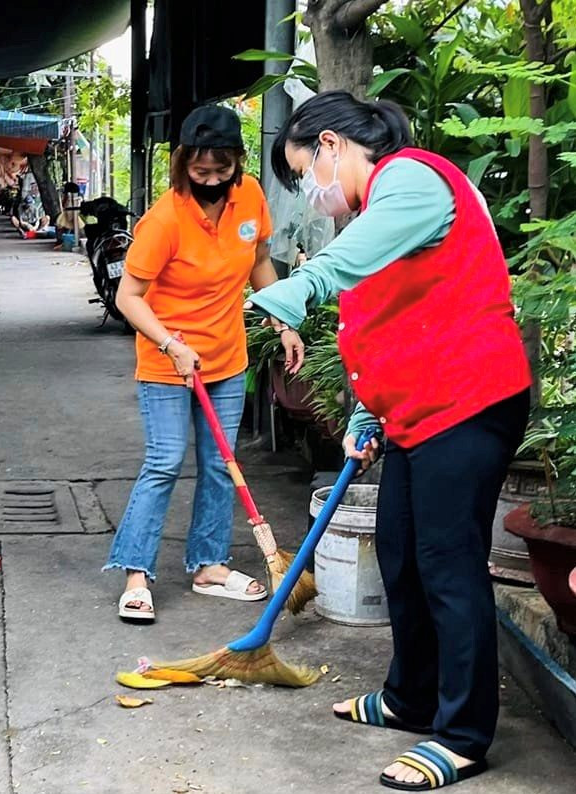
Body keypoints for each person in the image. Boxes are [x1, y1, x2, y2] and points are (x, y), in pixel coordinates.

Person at [248, 91, 530, 791]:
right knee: (401, 556)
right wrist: (365, 416)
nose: (310, 195)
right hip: (417, 413)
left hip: (470, 403)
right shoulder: (376, 217)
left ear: (333, 146)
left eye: (304, 173)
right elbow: (388, 324)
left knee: (447, 563)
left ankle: (463, 734)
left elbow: (343, 269)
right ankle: (411, 697)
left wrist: (296, 287)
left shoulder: (410, 177)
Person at [102, 105, 305, 621]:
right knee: (165, 461)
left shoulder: (251, 196)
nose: (212, 181)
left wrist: (283, 322)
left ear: (237, 163)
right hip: (167, 361)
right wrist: (171, 343)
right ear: (182, 165)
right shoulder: (164, 220)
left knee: (220, 464)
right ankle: (135, 573)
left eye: (222, 171)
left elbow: (259, 262)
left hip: (226, 357)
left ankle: (209, 565)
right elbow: (129, 297)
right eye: (200, 172)